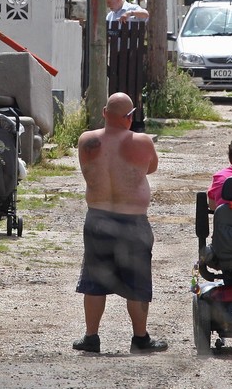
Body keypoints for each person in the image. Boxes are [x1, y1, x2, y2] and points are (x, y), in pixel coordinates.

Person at [73, 92, 168, 354]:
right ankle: (140, 338)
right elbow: (150, 168)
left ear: (104, 112)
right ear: (129, 117)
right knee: (137, 280)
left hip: (98, 217)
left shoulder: (87, 141)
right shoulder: (142, 142)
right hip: (133, 221)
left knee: (94, 279)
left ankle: (91, 337)